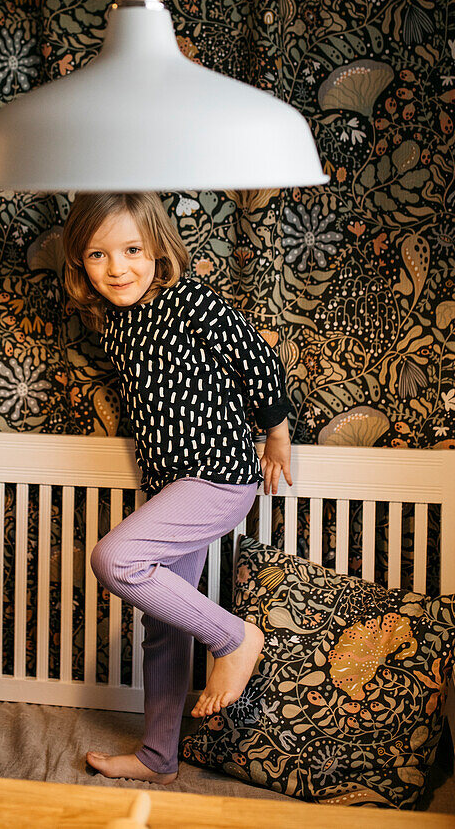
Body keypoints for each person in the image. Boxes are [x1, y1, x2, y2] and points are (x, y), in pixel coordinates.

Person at [62, 192, 293, 784]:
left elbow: (259, 365)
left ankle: (235, 639)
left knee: (115, 558)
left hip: (217, 475)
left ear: (157, 248)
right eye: (98, 255)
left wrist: (278, 436)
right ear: (80, 264)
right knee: (163, 621)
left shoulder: (193, 302)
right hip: (171, 485)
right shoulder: (115, 325)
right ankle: (159, 756)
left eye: (132, 250)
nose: (118, 269)